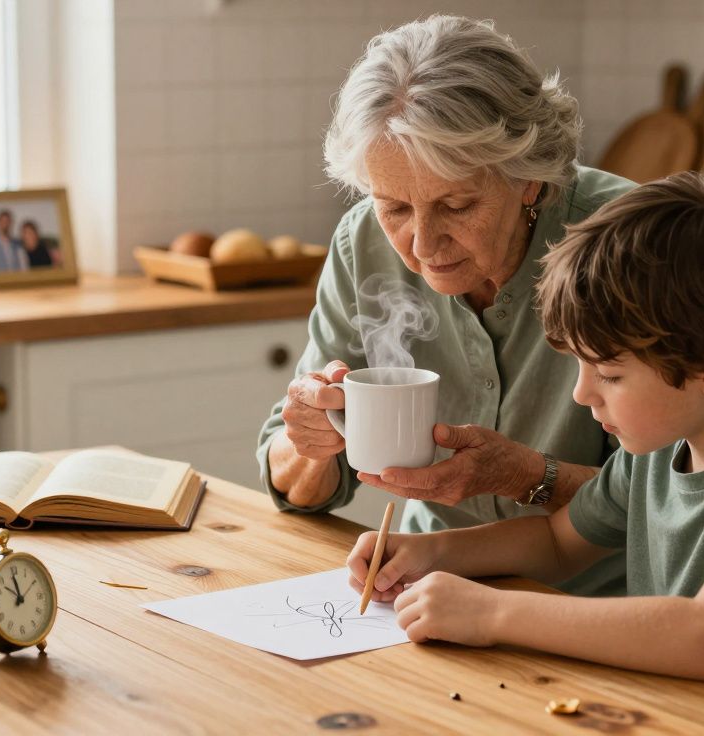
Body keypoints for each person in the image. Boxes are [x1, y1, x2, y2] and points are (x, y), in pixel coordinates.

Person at [347, 172, 704, 694]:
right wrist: (429, 552)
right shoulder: (663, 444)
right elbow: (558, 543)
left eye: (610, 373)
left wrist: (492, 613)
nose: (582, 394)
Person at [255, 15, 633, 596]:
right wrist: (311, 442)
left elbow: (682, 498)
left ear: (529, 179)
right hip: (429, 593)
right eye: (395, 208)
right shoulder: (362, 242)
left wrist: (527, 475)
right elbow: (295, 489)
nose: (423, 246)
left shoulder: (628, 242)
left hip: (606, 604)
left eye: (457, 205)